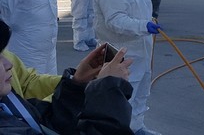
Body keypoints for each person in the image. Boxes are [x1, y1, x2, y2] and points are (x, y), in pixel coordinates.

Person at [0, 19, 136, 134]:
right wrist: (108, 93)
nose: (9, 64)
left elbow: (44, 121)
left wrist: (76, 84)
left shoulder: (7, 100)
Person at [93, 0, 164, 135]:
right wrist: (143, 26)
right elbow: (115, 21)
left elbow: (137, 8)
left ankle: (136, 127)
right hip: (122, 53)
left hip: (140, 48)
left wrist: (147, 22)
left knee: (141, 92)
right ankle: (121, 131)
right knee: (123, 97)